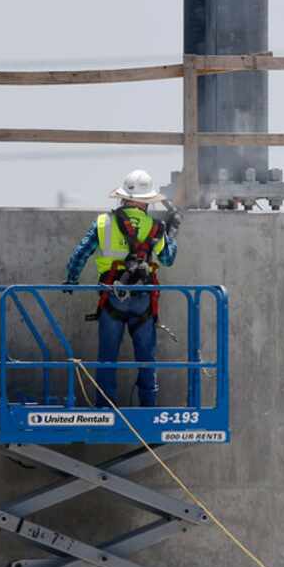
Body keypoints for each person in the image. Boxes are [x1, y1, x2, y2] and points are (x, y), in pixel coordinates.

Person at [64, 169, 180, 407]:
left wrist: (72, 280)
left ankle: (105, 407)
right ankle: (149, 407)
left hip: (111, 298)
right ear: (146, 201)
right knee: (146, 358)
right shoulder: (155, 227)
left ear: (123, 198)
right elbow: (168, 259)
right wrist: (171, 233)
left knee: (107, 358)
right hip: (143, 300)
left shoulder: (103, 222)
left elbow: (79, 255)